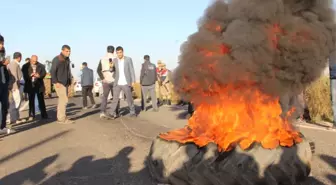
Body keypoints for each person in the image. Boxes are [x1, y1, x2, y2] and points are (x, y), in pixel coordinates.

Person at [109, 46, 136, 118]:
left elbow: (131, 70)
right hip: (117, 82)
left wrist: (133, 81)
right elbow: (111, 71)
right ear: (116, 53)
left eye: (120, 52)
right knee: (115, 99)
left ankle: (132, 112)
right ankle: (112, 113)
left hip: (126, 82)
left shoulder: (128, 59)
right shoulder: (114, 60)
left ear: (123, 52)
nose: (119, 54)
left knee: (129, 98)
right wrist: (111, 67)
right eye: (117, 53)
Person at [51, 45, 74, 124]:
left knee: (62, 100)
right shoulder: (57, 59)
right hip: (59, 82)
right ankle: (61, 119)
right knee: (64, 100)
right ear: (62, 51)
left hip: (65, 83)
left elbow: (67, 71)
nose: (69, 53)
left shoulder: (67, 59)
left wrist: (70, 80)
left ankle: (61, 116)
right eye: (67, 51)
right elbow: (53, 71)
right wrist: (55, 82)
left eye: (69, 51)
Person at [97, 45, 119, 118]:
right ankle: (115, 112)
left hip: (105, 80)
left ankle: (102, 112)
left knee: (105, 97)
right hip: (114, 80)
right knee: (115, 97)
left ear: (107, 50)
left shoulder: (102, 59)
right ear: (113, 51)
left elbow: (98, 70)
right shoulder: (116, 59)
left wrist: (102, 78)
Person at [22, 55, 48, 120]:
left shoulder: (41, 66)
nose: (34, 62)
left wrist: (39, 76)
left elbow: (44, 73)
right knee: (31, 100)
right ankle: (31, 115)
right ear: (31, 59)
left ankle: (44, 115)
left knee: (41, 100)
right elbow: (24, 76)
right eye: (33, 61)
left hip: (39, 85)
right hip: (30, 85)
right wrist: (30, 76)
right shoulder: (25, 66)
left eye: (36, 61)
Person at [0, 35, 12, 134]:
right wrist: (2, 63)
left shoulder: (2, 52)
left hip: (3, 83)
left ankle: (2, 126)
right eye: (0, 44)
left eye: (2, 43)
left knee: (5, 105)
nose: (1, 46)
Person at [7, 52, 23, 124]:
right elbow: (14, 77)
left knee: (15, 102)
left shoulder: (13, 64)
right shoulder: (14, 64)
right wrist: (15, 87)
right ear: (19, 57)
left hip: (14, 85)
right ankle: (14, 118)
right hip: (14, 86)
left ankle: (15, 117)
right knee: (16, 102)